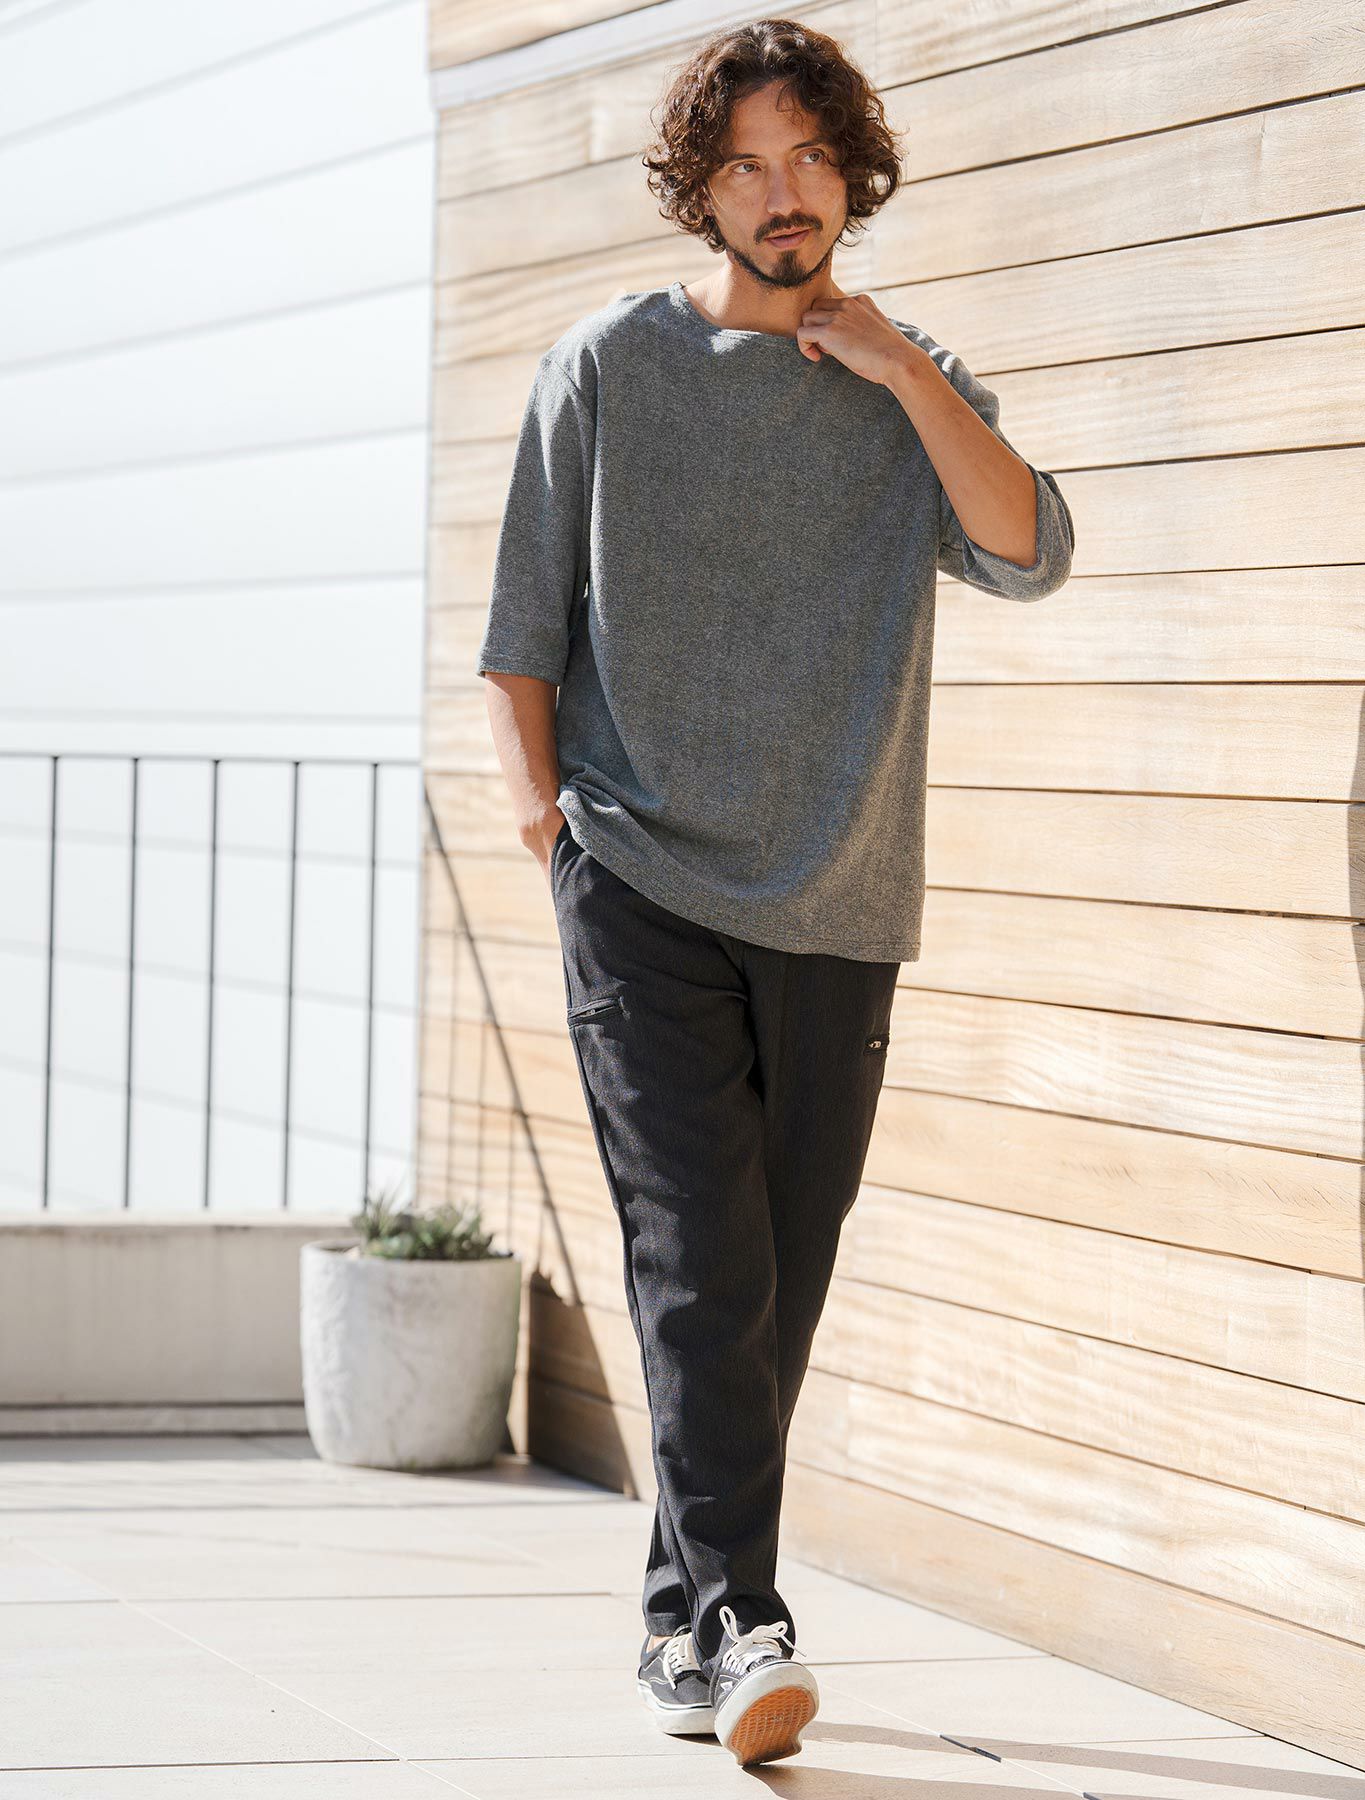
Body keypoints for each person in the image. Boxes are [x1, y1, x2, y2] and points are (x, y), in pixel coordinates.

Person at [475, 16, 1074, 1769]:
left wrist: (898, 371)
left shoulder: (908, 379)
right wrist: (553, 839)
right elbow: (518, 644)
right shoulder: (605, 366)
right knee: (698, 1263)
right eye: (744, 163)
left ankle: (682, 1622)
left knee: (772, 1286)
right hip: (639, 881)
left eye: (809, 155)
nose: (781, 191)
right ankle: (747, 1621)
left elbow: (1031, 549)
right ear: (701, 190)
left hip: (840, 897)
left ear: (852, 174)